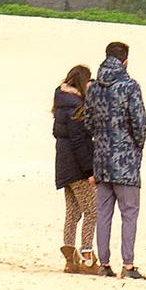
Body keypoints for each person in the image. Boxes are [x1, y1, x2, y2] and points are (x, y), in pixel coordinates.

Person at [85, 40, 146, 280]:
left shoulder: (94, 88)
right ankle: (128, 265)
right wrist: (137, 146)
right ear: (125, 61)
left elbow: (89, 121)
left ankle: (104, 264)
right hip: (126, 161)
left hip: (101, 159)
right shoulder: (130, 86)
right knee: (129, 213)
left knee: (103, 213)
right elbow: (139, 122)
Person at [52, 65, 98, 274]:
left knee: (72, 212)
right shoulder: (76, 108)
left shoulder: (61, 102)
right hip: (76, 168)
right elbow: (79, 142)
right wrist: (89, 171)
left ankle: (70, 259)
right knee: (92, 210)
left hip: (63, 166)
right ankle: (87, 254)